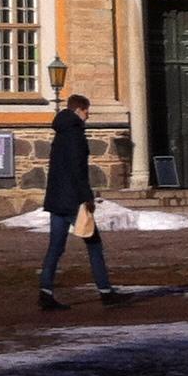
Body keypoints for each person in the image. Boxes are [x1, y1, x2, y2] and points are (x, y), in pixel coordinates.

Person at [39, 94, 124, 309]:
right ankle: (105, 292)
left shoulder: (60, 131)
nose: (88, 115)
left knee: (55, 248)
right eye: (87, 110)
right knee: (94, 245)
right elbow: (78, 170)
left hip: (56, 198)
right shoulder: (75, 134)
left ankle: (45, 292)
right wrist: (87, 197)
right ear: (78, 110)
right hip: (73, 200)